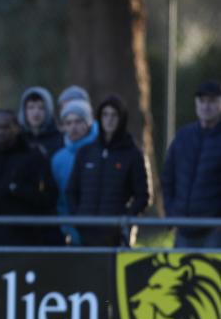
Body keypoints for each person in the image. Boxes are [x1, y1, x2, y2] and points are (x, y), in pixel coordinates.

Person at [67, 96, 152, 247]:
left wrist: (124, 219)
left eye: (114, 115)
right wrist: (78, 216)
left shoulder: (132, 154)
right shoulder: (86, 152)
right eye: (105, 115)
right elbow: (71, 190)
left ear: (121, 118)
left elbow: (143, 196)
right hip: (85, 233)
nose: (109, 120)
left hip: (115, 236)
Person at [0, 110, 57, 246]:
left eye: (6, 127)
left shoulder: (32, 156)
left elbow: (47, 197)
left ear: (16, 128)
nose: (1, 132)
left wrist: (17, 189)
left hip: (24, 236)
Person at [162, 80, 221, 248]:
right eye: (202, 101)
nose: (206, 106)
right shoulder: (183, 137)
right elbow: (168, 177)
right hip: (183, 229)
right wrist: (171, 212)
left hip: (214, 232)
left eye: (212, 101)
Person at [51, 99, 98, 245]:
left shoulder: (99, 153)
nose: (73, 127)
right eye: (68, 123)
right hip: (68, 230)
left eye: (78, 121)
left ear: (88, 123)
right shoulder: (58, 159)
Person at [18, 86, 63, 157]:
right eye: (31, 107)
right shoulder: (17, 139)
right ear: (24, 111)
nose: (36, 113)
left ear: (48, 111)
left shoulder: (60, 139)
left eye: (41, 108)